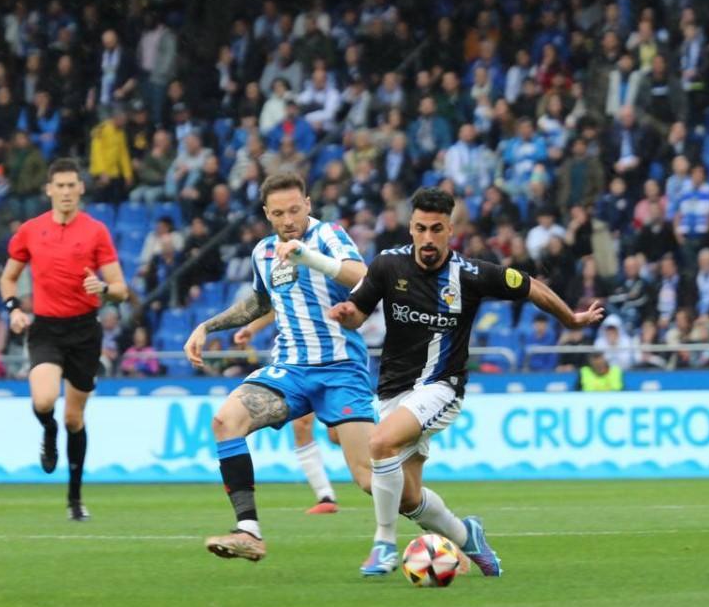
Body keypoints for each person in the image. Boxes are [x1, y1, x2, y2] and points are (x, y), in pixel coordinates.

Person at [329, 187, 604, 577]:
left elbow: (531, 287)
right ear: (410, 228)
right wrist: (347, 313)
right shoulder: (388, 265)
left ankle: (383, 545)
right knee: (405, 497)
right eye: (421, 228)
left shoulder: (472, 274)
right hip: (393, 390)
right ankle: (467, 534)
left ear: (449, 230)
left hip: (442, 387)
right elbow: (359, 311)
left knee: (380, 442)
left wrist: (571, 320)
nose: (427, 238)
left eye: (436, 229)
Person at [183, 172, 375, 562]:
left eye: (294, 210)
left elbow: (362, 275)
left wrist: (309, 257)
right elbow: (258, 302)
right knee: (225, 421)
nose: (288, 220)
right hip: (290, 371)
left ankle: (454, 530)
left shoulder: (329, 235)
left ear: (307, 203)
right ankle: (249, 531)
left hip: (341, 368)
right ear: (266, 214)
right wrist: (207, 326)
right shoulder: (264, 252)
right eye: (278, 213)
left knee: (369, 479)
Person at [0, 158, 129, 521]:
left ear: (81, 189)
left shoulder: (96, 231)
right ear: (49, 190)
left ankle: (74, 499)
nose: (67, 192)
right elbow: (8, 278)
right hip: (47, 328)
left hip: (85, 331)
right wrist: (13, 308)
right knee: (43, 400)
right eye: (61, 186)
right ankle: (47, 430)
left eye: (73, 185)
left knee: (75, 417)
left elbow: (121, 289)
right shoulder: (30, 230)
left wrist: (103, 288)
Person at [232, 313, 340, 515]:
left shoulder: (328, 283)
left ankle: (389, 458)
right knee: (301, 426)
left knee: (337, 435)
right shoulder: (287, 284)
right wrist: (251, 329)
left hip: (334, 359)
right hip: (296, 361)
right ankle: (325, 496)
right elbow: (276, 305)